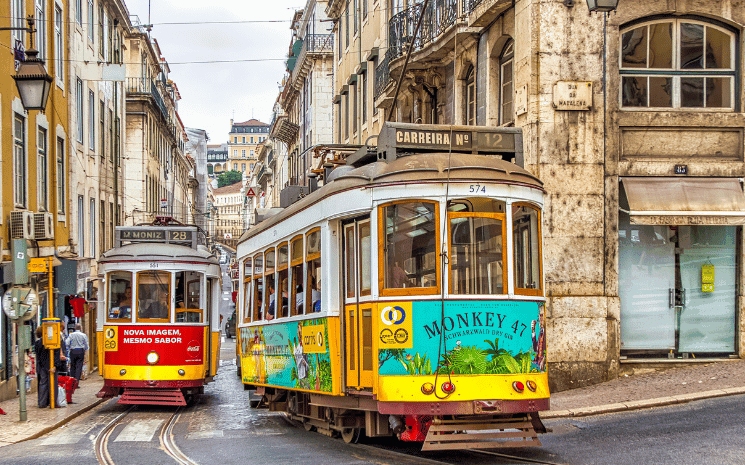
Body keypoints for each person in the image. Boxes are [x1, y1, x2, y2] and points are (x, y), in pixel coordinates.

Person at [34, 326, 65, 408]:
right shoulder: (53, 341)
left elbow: (38, 356)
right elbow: (56, 355)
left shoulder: (38, 343)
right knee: (53, 384)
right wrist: (56, 365)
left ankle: (42, 402)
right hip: (51, 366)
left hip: (42, 366)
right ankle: (53, 402)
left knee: (43, 384)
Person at [66, 324, 89, 390]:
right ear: (80, 328)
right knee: (79, 367)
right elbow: (86, 344)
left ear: (75, 328)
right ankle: (76, 383)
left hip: (73, 351)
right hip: (80, 351)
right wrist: (85, 350)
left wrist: (69, 348)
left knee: (72, 367)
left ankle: (72, 383)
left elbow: (67, 343)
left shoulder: (71, 335)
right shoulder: (83, 335)